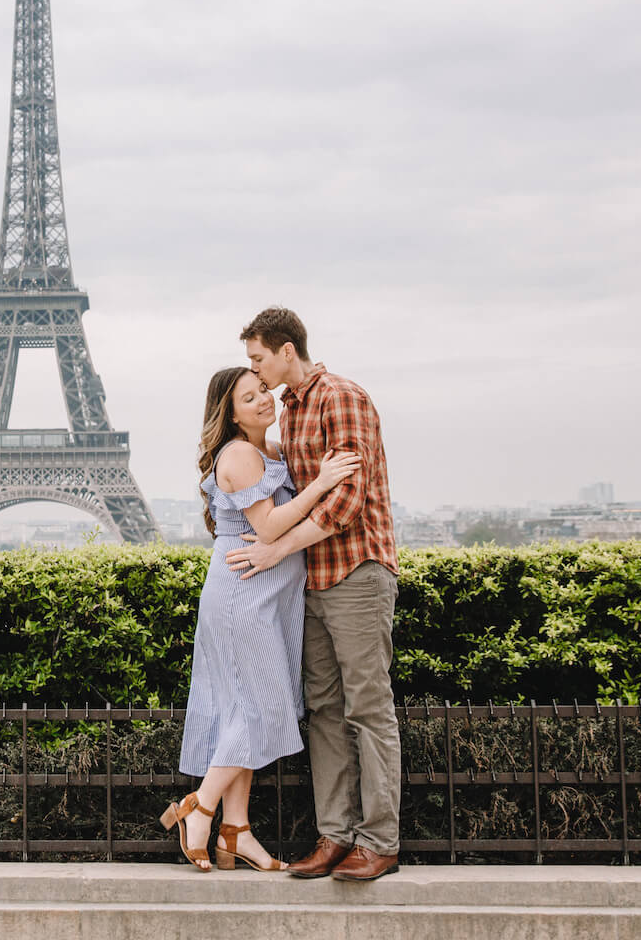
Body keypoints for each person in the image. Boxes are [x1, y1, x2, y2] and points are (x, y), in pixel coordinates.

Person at [226, 306, 401, 880]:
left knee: (368, 708)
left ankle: (378, 841)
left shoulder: (341, 397)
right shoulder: (290, 416)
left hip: (355, 571)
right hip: (313, 580)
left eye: (257, 358)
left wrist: (275, 550)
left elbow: (346, 504)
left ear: (285, 350)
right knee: (325, 711)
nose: (253, 369)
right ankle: (336, 835)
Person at [162, 366, 359, 871]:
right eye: (248, 398)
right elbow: (268, 525)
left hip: (267, 597)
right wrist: (321, 484)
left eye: (262, 392)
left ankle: (237, 830)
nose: (263, 401)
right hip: (244, 595)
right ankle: (200, 810)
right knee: (254, 710)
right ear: (229, 412)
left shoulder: (268, 450)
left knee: (241, 711)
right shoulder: (241, 454)